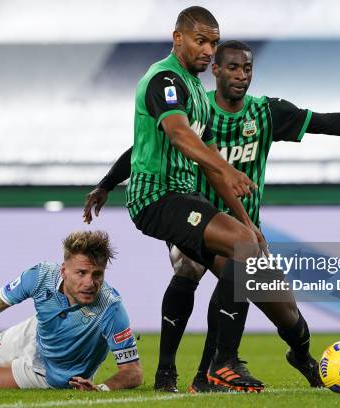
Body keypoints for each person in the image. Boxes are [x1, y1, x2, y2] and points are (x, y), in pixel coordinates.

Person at [83, 40, 340, 393]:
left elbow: (326, 122)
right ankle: (182, 372)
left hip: (242, 224)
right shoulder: (196, 109)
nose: (241, 75)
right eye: (234, 67)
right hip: (191, 215)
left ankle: (299, 355)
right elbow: (143, 149)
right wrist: (107, 183)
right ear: (216, 70)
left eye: (248, 68)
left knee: (284, 309)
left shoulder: (266, 113)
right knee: (189, 273)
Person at [115, 5, 274, 393]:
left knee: (242, 260)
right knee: (238, 250)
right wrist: (231, 173)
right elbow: (177, 135)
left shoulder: (197, 95)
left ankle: (195, 375)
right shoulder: (165, 79)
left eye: (213, 42)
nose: (208, 49)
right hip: (156, 196)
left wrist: (247, 220)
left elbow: (213, 167)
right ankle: (222, 365)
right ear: (178, 38)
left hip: (185, 196)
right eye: (200, 40)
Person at [0, 230, 143, 391]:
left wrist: (101, 390)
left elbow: (133, 372)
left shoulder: (110, 308)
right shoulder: (40, 276)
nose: (90, 282)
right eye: (81, 273)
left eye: (97, 274)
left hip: (45, 372)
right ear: (63, 271)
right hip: (35, 330)